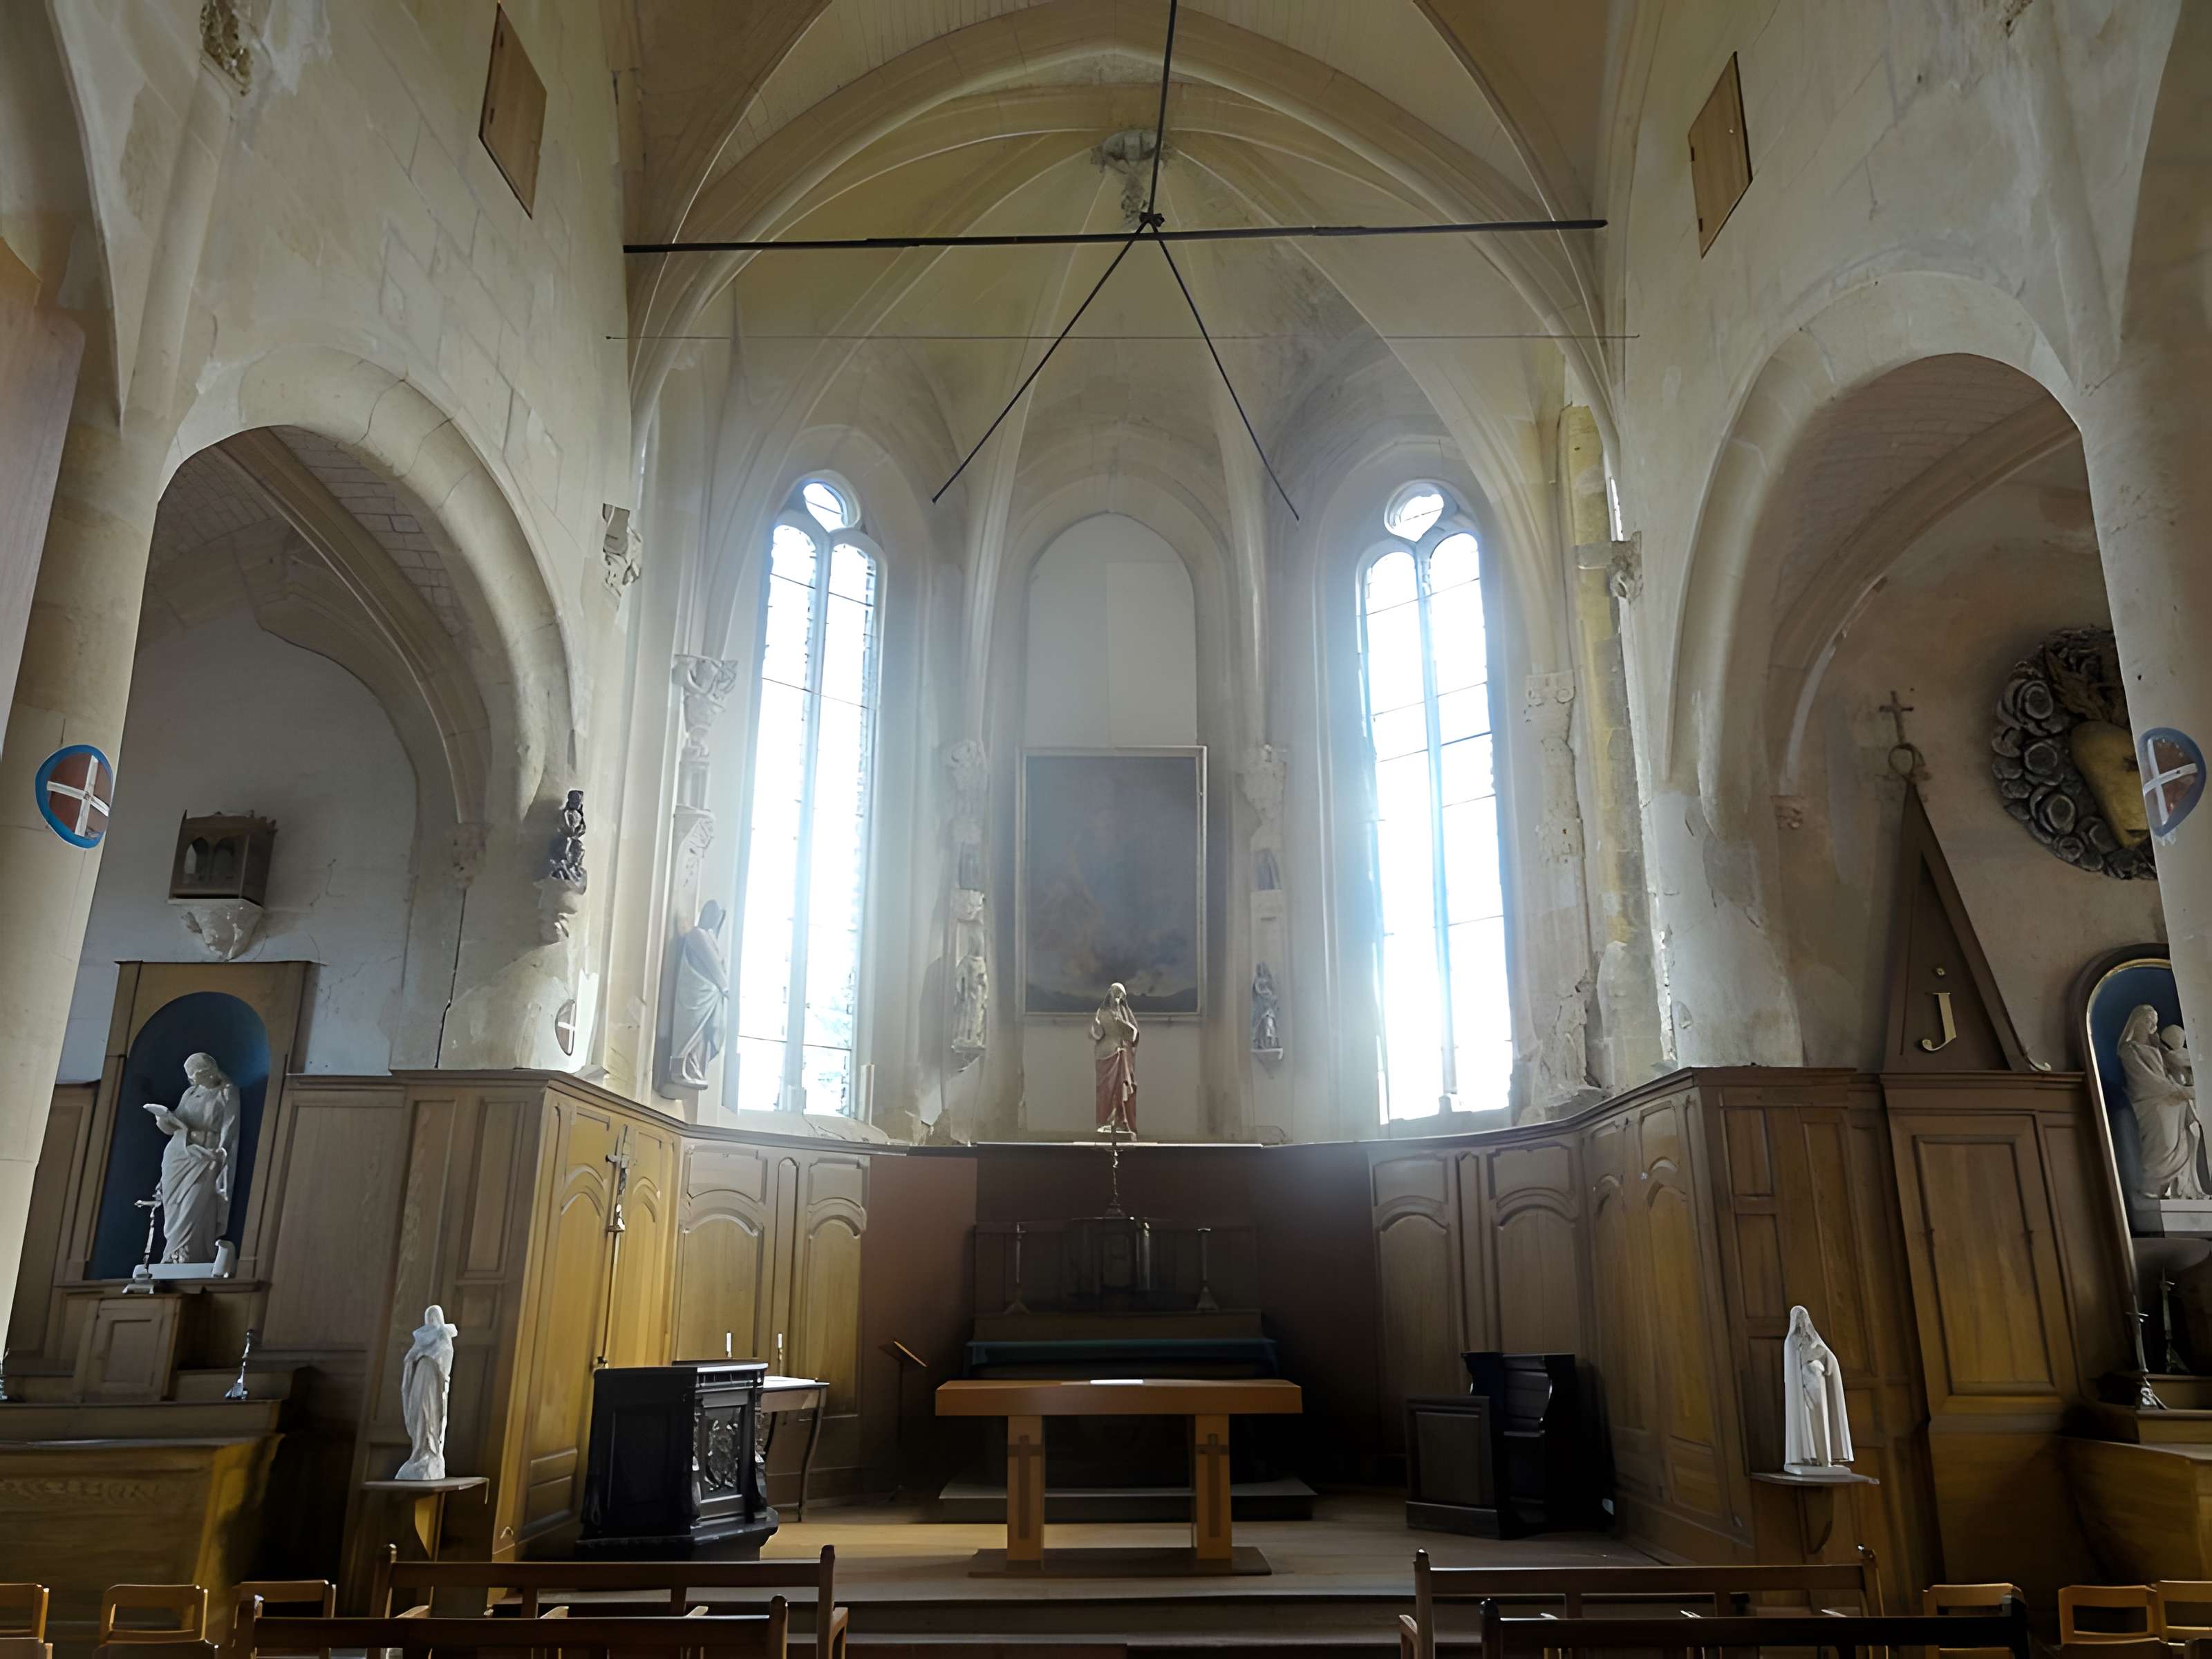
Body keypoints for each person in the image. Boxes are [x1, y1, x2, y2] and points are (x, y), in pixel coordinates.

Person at [143, 1053, 239, 1264]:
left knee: (194, 1205)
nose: (192, 1080)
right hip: (178, 1154)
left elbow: (230, 1125)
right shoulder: (190, 1093)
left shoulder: (227, 1092)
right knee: (175, 1206)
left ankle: (188, 1256)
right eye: (190, 1076)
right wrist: (164, 1118)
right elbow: (176, 1123)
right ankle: (173, 1255)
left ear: (207, 1072)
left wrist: (221, 1152)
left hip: (205, 1156)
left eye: (194, 1075)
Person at [1091, 982, 1139, 1134]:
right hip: (1105, 1055)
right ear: (1109, 995)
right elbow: (1094, 1033)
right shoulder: (1101, 1012)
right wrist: (1096, 1026)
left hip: (1120, 1055)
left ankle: (1121, 1121)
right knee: (1105, 1090)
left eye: (1119, 996)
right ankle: (1105, 1122)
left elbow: (1134, 1034)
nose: (1116, 999)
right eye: (1114, 995)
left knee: (1120, 1088)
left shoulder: (1125, 1013)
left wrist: (1122, 1025)